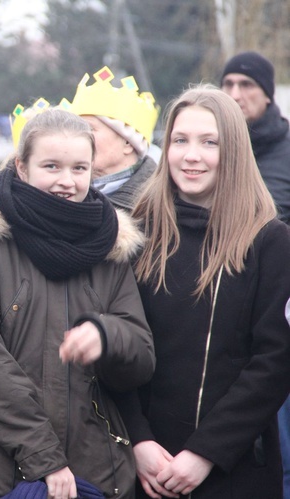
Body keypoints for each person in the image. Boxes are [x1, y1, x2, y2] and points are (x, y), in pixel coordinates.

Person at [0, 108, 155, 499]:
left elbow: (141, 358)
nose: (66, 182)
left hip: (93, 471)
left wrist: (107, 336)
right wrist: (45, 458)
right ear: (22, 167)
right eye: (51, 166)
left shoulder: (111, 248)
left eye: (79, 168)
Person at [121, 85, 290, 498]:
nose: (190, 155)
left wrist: (206, 452)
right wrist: (138, 441)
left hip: (236, 470)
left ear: (232, 150)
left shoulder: (270, 242)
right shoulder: (136, 236)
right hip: (144, 469)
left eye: (208, 142)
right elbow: (118, 349)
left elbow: (274, 360)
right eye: (180, 140)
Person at [69, 66, 160, 212]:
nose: (77, 137)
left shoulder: (160, 201)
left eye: (89, 129)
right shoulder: (62, 190)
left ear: (128, 142)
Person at [220, 51, 290, 223]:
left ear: (267, 94)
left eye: (246, 84)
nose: (235, 95)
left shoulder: (285, 152)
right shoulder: (208, 147)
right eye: (228, 84)